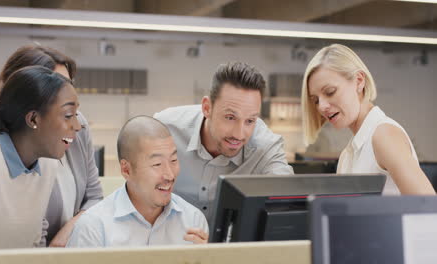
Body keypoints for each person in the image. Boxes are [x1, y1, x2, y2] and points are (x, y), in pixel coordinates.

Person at [154, 62, 293, 222]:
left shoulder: (265, 146)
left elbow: (286, 199)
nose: (239, 134)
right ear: (207, 108)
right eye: (230, 117)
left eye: (250, 120)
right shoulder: (164, 129)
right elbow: (137, 195)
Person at [0, 45, 103, 247]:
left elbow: (95, 198)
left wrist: (66, 235)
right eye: (56, 87)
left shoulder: (78, 127)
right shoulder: (3, 155)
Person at [0, 66, 81, 249]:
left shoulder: (47, 165)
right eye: (68, 116)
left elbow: (32, 243)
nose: (77, 126)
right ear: (33, 119)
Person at [301, 43, 435, 195]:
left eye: (330, 92)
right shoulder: (347, 155)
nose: (322, 106)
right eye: (316, 100)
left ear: (359, 81)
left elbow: (428, 208)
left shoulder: (383, 135)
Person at [67, 116, 208, 247]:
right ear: (126, 170)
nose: (170, 175)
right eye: (157, 164)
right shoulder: (93, 227)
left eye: (173, 160)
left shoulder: (193, 220)